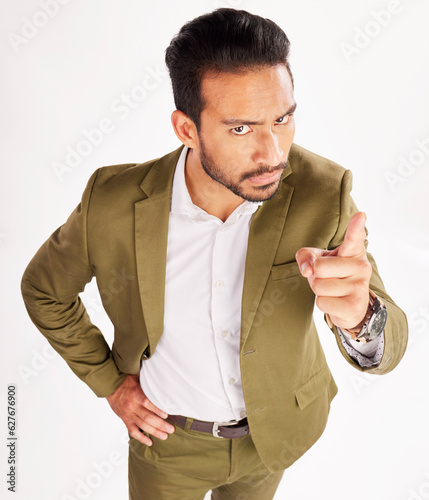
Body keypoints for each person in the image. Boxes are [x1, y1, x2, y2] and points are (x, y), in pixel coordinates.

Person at [21, 7, 408, 500]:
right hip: (167, 445)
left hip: (276, 439)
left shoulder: (323, 191)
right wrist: (110, 384)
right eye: (241, 129)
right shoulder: (113, 202)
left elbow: (391, 341)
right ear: (186, 129)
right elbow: (43, 291)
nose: (273, 153)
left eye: (283, 118)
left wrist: (360, 317)